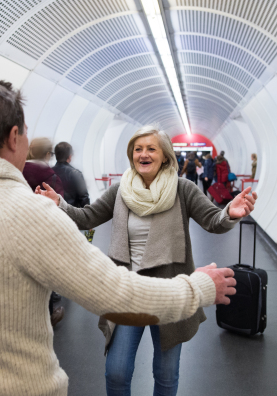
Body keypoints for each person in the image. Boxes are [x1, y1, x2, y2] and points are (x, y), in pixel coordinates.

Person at [0, 79, 240, 396]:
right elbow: (114, 293)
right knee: (119, 370)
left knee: (165, 371)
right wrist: (199, 286)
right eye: (26, 132)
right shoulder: (33, 214)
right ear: (14, 137)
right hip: (23, 387)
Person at [39, 125, 258, 396]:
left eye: (151, 148)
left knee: (166, 374)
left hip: (172, 288)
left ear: (165, 155)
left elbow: (214, 221)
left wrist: (230, 213)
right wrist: (59, 202)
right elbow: (87, 216)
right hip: (127, 288)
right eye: (138, 149)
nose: (143, 154)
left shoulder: (182, 189)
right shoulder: (121, 191)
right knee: (116, 371)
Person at [22, 137, 66, 326]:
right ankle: (47, 318)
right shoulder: (49, 174)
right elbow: (57, 206)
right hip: (41, 233)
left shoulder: (16, 169)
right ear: (48, 154)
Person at [52, 142, 90, 208]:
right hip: (71, 215)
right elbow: (84, 199)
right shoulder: (76, 173)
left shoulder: (48, 172)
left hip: (54, 214)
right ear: (69, 156)